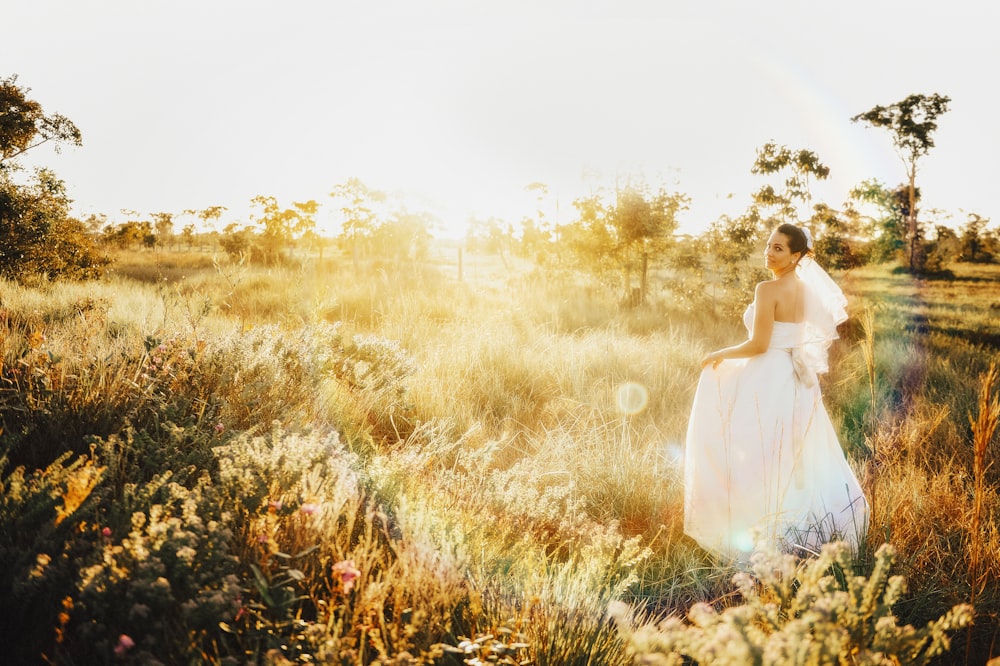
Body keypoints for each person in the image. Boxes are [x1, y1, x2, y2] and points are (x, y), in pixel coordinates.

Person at [683, 223, 868, 561]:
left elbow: (759, 344)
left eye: (779, 248)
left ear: (796, 255)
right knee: (796, 454)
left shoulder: (767, 289)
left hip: (767, 376)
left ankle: (756, 529)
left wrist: (719, 354)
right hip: (797, 380)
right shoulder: (807, 291)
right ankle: (807, 530)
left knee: (753, 453)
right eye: (769, 245)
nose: (769, 252)